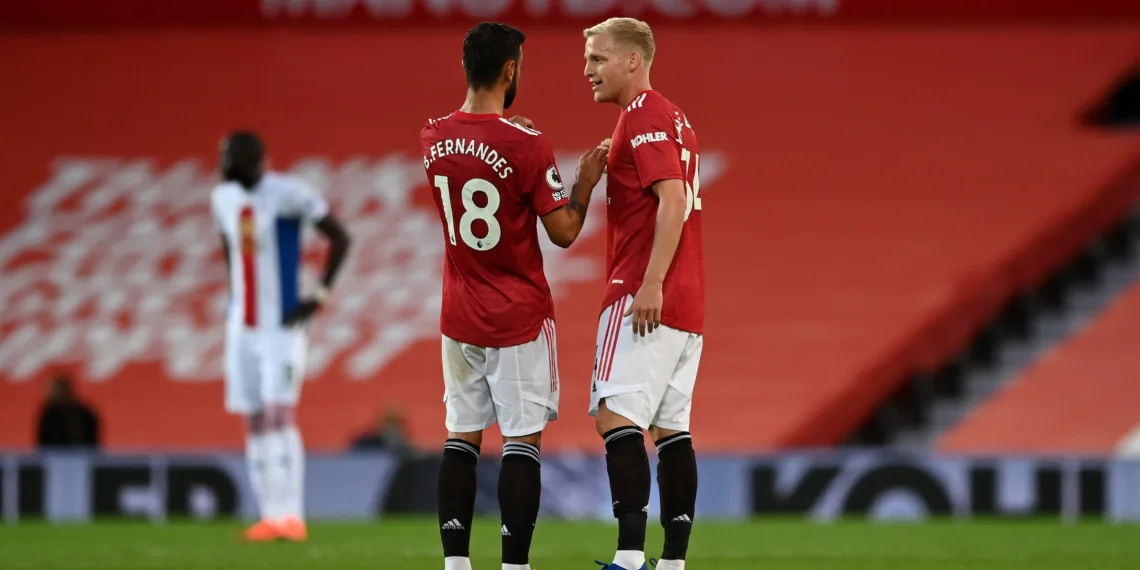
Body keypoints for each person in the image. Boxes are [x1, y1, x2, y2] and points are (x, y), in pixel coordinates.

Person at [420, 22, 608, 570]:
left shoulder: (432, 136)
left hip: (459, 314)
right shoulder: (527, 145)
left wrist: (506, 132)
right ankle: (514, 566)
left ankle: (456, 564)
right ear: (510, 70)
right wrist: (585, 181)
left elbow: (477, 148)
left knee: (461, 440)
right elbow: (564, 231)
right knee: (521, 444)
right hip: (517, 317)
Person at [582, 18, 705, 570]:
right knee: (670, 428)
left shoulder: (644, 114)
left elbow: (672, 199)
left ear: (633, 60)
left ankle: (630, 558)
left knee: (615, 416)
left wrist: (651, 281)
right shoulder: (675, 117)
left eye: (598, 58)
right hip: (688, 299)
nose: (588, 70)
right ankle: (673, 561)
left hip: (643, 290)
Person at [211, 131, 352, 542]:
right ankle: (269, 515)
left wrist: (319, 296)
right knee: (254, 418)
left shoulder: (289, 193)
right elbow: (229, 247)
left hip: (281, 328)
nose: (222, 163)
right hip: (242, 327)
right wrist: (236, 297)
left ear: (253, 158)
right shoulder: (222, 198)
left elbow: (340, 236)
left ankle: (292, 515)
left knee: (279, 415)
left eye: (229, 156)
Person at [36, 374, 101, 450]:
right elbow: (44, 444)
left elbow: (92, 441)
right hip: (55, 455)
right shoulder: (49, 415)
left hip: (83, 454)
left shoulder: (84, 413)